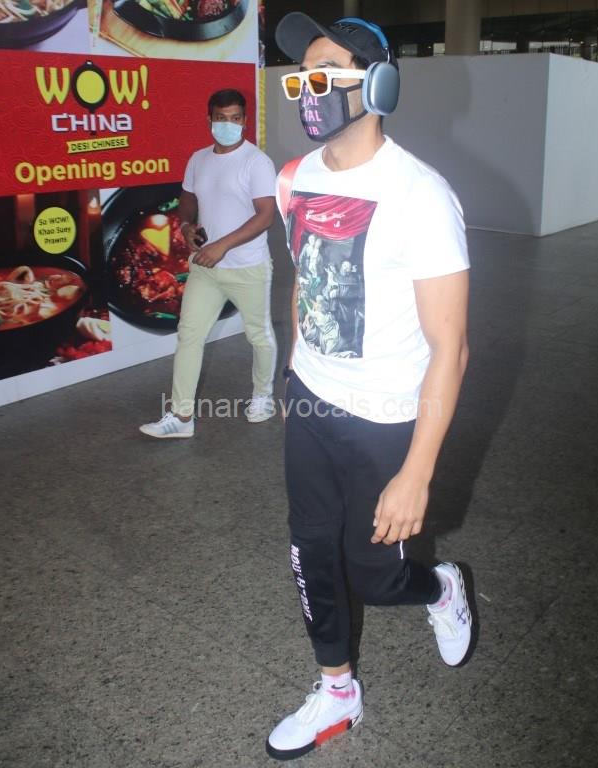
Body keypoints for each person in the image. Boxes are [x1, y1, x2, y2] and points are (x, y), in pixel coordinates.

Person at [267, 13, 472, 760]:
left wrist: (417, 473)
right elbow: (304, 280)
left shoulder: (421, 195)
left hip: (386, 419)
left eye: (327, 75)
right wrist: (293, 371)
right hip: (311, 402)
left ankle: (440, 586)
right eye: (301, 78)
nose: (308, 90)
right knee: (310, 553)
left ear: (378, 85)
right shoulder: (296, 178)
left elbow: (451, 347)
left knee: (376, 577)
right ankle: (336, 690)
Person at [140, 89, 278, 438]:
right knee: (189, 335)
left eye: (235, 118)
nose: (228, 124)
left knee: (259, 335)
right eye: (221, 118)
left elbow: (265, 216)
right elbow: (187, 198)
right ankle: (181, 417)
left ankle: (263, 396)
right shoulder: (198, 159)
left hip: (247, 266)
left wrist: (222, 246)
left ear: (245, 120)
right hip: (205, 267)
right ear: (209, 120)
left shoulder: (256, 162)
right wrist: (186, 226)